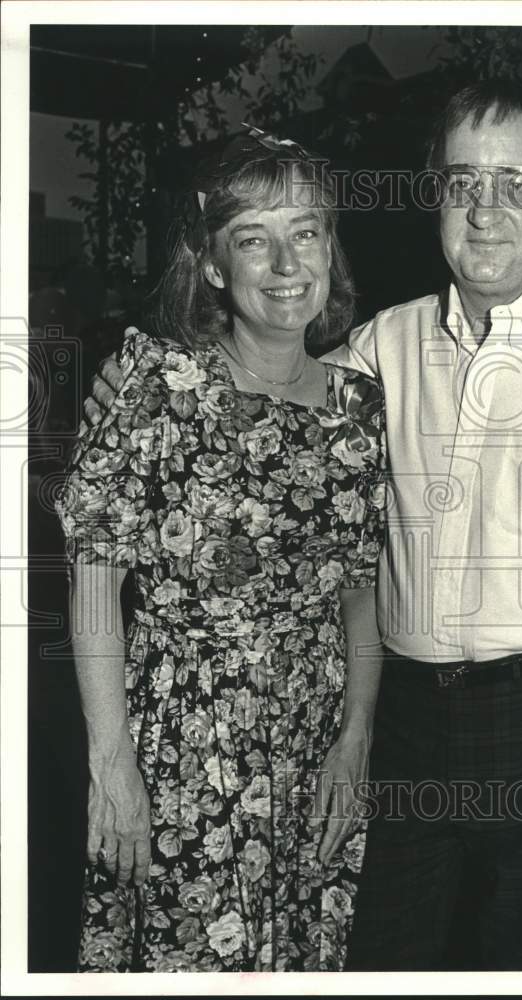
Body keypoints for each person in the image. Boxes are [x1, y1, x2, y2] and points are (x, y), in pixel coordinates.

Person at [85, 80, 522, 971]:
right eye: (463, 182)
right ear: (436, 195)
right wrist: (144, 377)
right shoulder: (385, 346)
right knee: (378, 959)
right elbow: (263, 378)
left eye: (516, 185)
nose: (486, 212)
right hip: (407, 724)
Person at [57, 127, 387, 972]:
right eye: (253, 238)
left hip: (315, 746)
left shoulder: (360, 407)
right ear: (212, 265)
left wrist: (355, 741)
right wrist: (112, 765)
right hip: (185, 750)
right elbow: (95, 574)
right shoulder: (159, 384)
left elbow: (359, 591)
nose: (285, 262)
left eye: (304, 231)